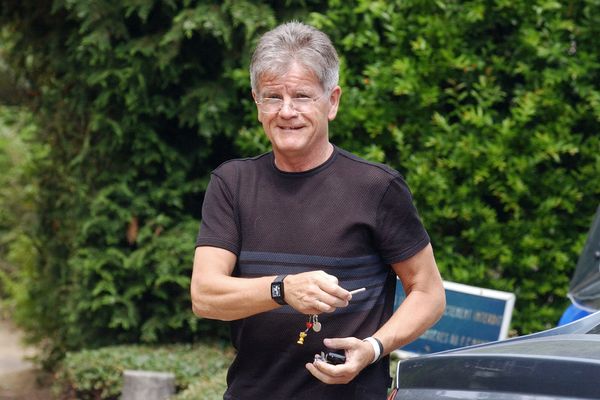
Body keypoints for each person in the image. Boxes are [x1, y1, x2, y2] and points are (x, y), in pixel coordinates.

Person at [191, 21, 446, 400]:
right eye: (273, 97)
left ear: (333, 101)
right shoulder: (233, 183)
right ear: (257, 104)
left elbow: (428, 292)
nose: (287, 111)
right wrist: (282, 289)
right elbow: (205, 296)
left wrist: (373, 348)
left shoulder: (376, 187)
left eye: (303, 96)